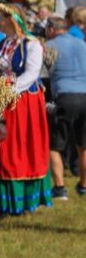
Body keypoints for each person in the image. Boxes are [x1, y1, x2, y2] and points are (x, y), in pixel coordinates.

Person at [0, 4, 51, 215]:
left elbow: (31, 73)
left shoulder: (31, 44)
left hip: (24, 102)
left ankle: (23, 200)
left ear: (12, 20)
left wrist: (9, 91)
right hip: (4, 100)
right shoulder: (3, 43)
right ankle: (2, 200)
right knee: (3, 146)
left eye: (2, 17)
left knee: (20, 146)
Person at [44, 15, 86, 198]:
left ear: (52, 29)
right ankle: (84, 185)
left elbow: (44, 73)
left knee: (55, 145)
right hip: (84, 95)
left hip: (64, 96)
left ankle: (60, 188)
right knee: (83, 145)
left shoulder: (50, 45)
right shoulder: (81, 43)